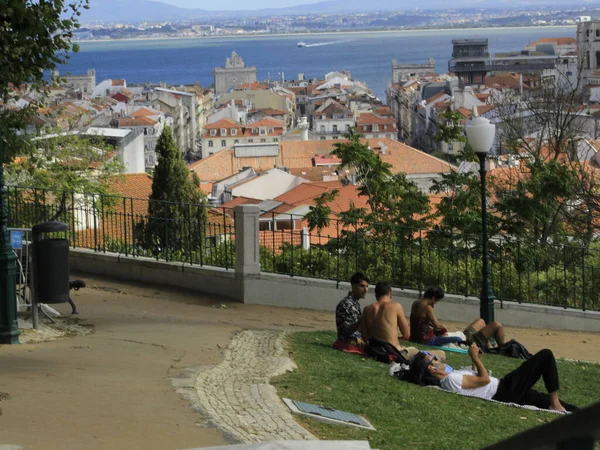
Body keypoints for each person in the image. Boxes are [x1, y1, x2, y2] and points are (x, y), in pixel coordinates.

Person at [410, 343, 578, 412]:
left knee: (551, 402)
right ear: (431, 367)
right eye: (434, 358)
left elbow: (475, 378)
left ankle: (570, 410)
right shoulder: (450, 380)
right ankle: (555, 404)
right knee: (545, 356)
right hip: (503, 391)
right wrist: (475, 358)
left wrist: (475, 359)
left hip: (505, 389)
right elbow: (484, 380)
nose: (438, 358)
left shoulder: (450, 375)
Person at [410, 286, 506, 348]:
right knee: (496, 325)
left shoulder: (416, 303)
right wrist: (443, 327)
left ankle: (489, 347)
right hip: (464, 339)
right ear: (433, 298)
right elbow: (437, 326)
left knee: (481, 321)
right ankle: (501, 349)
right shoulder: (428, 308)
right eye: (436, 301)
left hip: (462, 334)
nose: (435, 304)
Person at [361, 282, 421, 360]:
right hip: (393, 353)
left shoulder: (366, 309)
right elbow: (407, 334)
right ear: (390, 294)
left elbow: (365, 337)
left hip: (375, 351)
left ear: (376, 296)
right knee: (440, 354)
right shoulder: (396, 306)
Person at [334, 272, 370, 349]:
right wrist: (362, 321)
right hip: (349, 341)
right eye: (362, 286)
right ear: (353, 286)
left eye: (367, 286)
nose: (365, 289)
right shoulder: (346, 304)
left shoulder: (355, 303)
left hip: (356, 339)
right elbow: (346, 331)